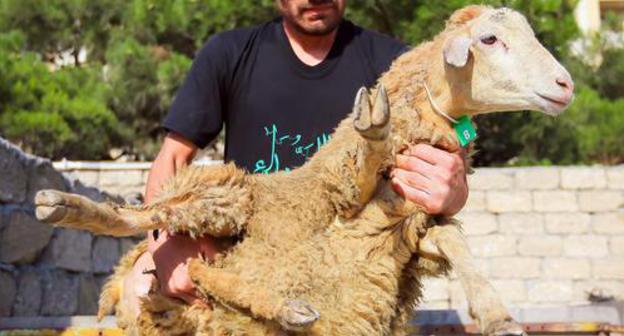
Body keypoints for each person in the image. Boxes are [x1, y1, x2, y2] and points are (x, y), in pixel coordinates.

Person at [123, 0, 469, 313]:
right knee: (137, 287)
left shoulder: (392, 62)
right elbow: (172, 157)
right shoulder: (229, 52)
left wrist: (456, 186)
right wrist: (165, 248)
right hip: (248, 259)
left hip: (348, 268)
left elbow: (463, 123)